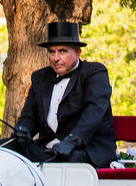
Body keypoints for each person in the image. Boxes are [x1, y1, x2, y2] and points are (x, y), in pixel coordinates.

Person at [9, 20, 116, 167]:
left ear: (77, 53)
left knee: (70, 161)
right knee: (6, 148)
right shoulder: (40, 78)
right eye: (52, 52)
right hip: (49, 149)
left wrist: (72, 141)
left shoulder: (94, 73)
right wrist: (22, 130)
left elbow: (93, 113)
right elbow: (29, 117)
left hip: (85, 149)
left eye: (62, 51)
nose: (55, 58)